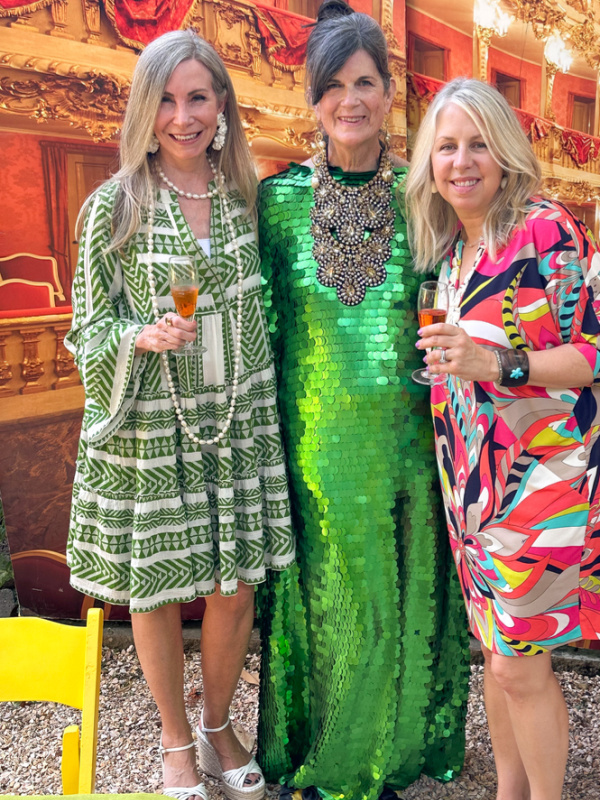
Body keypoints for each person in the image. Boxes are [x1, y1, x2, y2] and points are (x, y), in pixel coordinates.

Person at [65, 29, 294, 800]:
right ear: (144, 108)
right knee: (157, 590)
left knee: (235, 588)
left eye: (198, 96)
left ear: (222, 105)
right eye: (165, 98)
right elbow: (86, 332)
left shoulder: (248, 200)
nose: (183, 115)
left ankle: (218, 722)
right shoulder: (113, 207)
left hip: (236, 420)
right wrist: (140, 335)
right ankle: (172, 740)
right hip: (150, 427)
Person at [256, 4, 470, 799]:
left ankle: (386, 754)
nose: (351, 100)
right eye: (334, 86)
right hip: (312, 444)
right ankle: (332, 751)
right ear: (312, 100)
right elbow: (261, 327)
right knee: (327, 601)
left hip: (410, 441)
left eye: (366, 83)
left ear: (391, 93)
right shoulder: (277, 203)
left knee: (396, 598)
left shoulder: (431, 199)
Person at [406, 76, 600, 800]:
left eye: (478, 142)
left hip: (543, 485)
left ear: (506, 150)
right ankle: (508, 792)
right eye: (447, 146)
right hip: (475, 490)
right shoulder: (454, 249)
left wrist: (498, 361)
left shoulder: (544, 230)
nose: (461, 160)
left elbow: (592, 353)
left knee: (522, 666)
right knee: (496, 657)